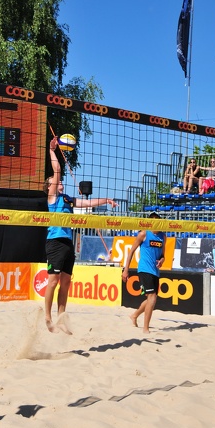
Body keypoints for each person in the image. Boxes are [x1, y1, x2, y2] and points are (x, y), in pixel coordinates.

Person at [44, 136, 118, 333]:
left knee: (66, 283)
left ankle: (61, 318)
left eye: (58, 182)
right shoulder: (52, 197)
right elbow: (57, 171)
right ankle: (47, 316)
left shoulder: (67, 199)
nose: (59, 183)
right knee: (53, 280)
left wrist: (106, 200)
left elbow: (88, 203)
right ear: (50, 186)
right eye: (55, 182)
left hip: (67, 242)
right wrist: (52, 150)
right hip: (55, 242)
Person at [121, 212, 167, 334]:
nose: (155, 224)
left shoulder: (163, 236)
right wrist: (126, 270)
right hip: (144, 269)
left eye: (157, 221)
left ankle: (134, 315)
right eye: (153, 221)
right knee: (152, 297)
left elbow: (163, 255)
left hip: (155, 271)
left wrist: (162, 260)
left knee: (150, 299)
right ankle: (145, 329)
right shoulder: (143, 234)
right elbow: (131, 252)